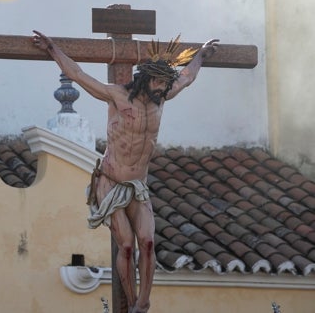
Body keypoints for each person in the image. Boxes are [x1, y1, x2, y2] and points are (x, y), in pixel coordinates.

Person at [32, 30, 218, 313]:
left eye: (166, 85)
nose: (163, 88)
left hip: (138, 186)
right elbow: (80, 75)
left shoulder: (162, 99)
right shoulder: (117, 96)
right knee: (127, 246)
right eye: (158, 82)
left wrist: (202, 54)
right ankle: (129, 303)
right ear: (146, 78)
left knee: (148, 241)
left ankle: (142, 304)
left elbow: (187, 77)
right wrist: (53, 49)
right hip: (111, 181)